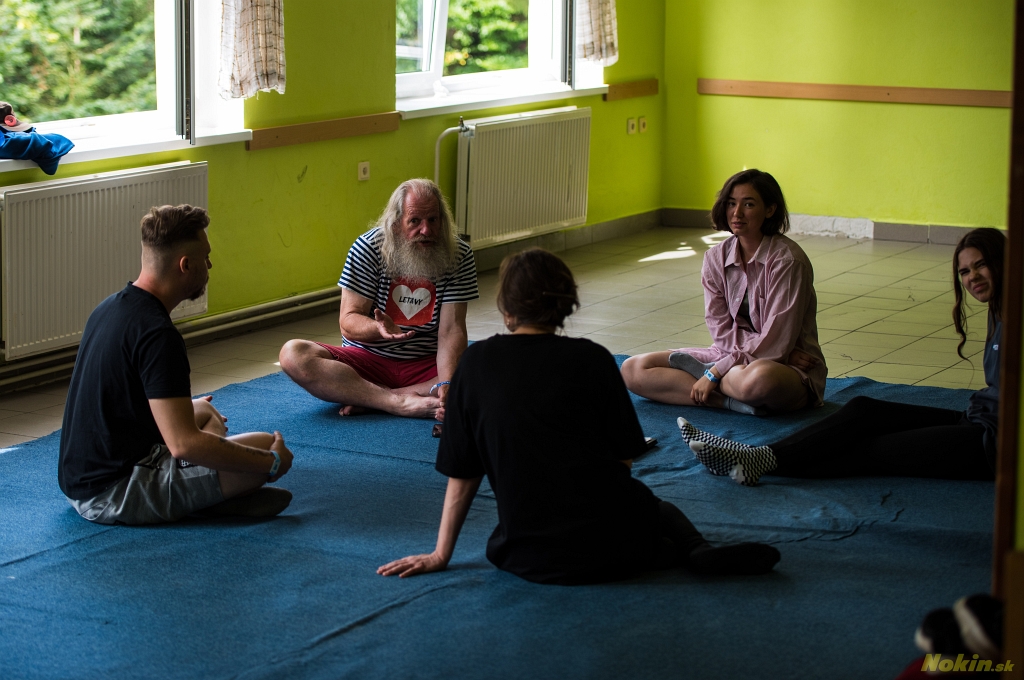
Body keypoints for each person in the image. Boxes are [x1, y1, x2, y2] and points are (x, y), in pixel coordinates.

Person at [377, 248, 781, 585]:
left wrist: (441, 553)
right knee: (657, 510)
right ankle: (695, 549)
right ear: (564, 304)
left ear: (506, 308)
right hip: (612, 547)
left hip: (525, 554)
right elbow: (623, 459)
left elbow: (462, 471)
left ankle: (670, 551)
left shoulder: (475, 363)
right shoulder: (593, 359)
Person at [679, 227, 1004, 487]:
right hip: (979, 417)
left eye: (980, 265)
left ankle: (757, 460)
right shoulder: (1000, 308)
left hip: (994, 443)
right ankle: (756, 457)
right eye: (965, 271)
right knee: (864, 410)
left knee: (867, 450)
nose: (972, 277)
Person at [58, 205, 296, 525]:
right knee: (264, 448)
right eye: (206, 257)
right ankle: (205, 501)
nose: (209, 265)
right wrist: (271, 463)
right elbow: (184, 445)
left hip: (82, 478)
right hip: (112, 491)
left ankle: (204, 495)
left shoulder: (109, 307)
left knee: (204, 411)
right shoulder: (159, 335)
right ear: (185, 265)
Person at [621, 169, 826, 415]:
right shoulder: (715, 257)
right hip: (729, 354)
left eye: (748, 204)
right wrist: (728, 363)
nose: (736, 213)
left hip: (782, 366)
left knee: (758, 380)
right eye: (731, 203)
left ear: (770, 210)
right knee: (632, 369)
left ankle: (712, 380)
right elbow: (719, 328)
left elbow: (776, 342)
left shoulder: (788, 261)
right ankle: (726, 401)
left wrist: (718, 370)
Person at [279, 179, 478, 420]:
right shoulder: (367, 248)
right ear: (396, 223)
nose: (426, 230)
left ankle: (373, 397)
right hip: (368, 364)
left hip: (427, 365)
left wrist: (446, 383)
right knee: (293, 354)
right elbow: (348, 322)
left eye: (433, 220)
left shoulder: (459, 254)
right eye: (415, 221)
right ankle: (397, 403)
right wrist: (378, 328)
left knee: (493, 362)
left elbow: (451, 330)